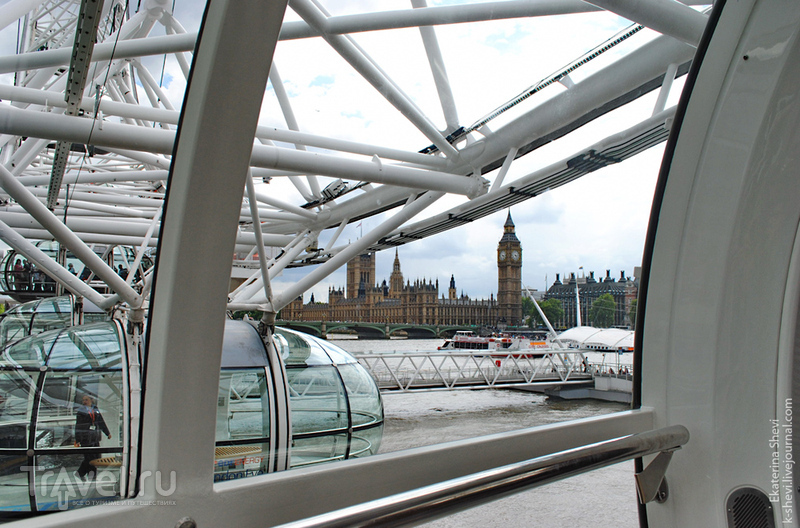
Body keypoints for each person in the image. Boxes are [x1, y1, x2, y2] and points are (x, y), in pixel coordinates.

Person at [74, 395, 112, 479]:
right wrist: (78, 439)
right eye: (83, 400)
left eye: (86, 400)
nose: (85, 402)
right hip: (86, 437)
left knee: (94, 456)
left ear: (91, 400)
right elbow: (78, 426)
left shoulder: (95, 409)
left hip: (94, 436)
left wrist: (107, 433)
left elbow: (101, 422)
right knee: (89, 457)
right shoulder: (81, 412)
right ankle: (91, 475)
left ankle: (81, 473)